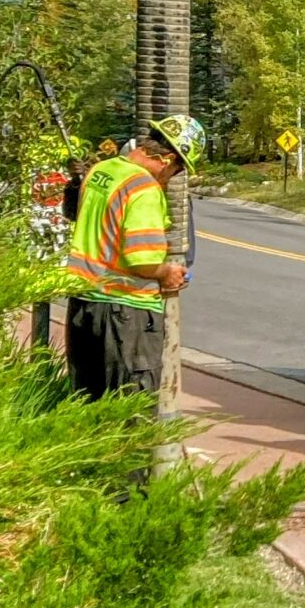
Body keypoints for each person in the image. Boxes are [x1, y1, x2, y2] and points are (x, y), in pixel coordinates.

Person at [62, 114, 204, 399]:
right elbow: (141, 260)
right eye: (177, 171)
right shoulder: (144, 188)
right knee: (129, 410)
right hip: (125, 315)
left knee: (86, 404)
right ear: (167, 160)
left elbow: (73, 212)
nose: (172, 178)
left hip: (83, 305)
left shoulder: (101, 170)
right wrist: (167, 273)